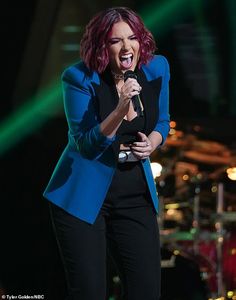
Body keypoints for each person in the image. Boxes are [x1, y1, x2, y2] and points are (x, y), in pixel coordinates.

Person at [43, 6, 170, 300]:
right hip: (83, 195)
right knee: (90, 293)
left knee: (146, 292)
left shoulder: (157, 67)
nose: (127, 47)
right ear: (102, 46)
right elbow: (86, 143)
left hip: (134, 192)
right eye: (116, 41)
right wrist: (121, 105)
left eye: (133, 38)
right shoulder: (77, 78)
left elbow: (162, 120)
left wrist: (153, 141)